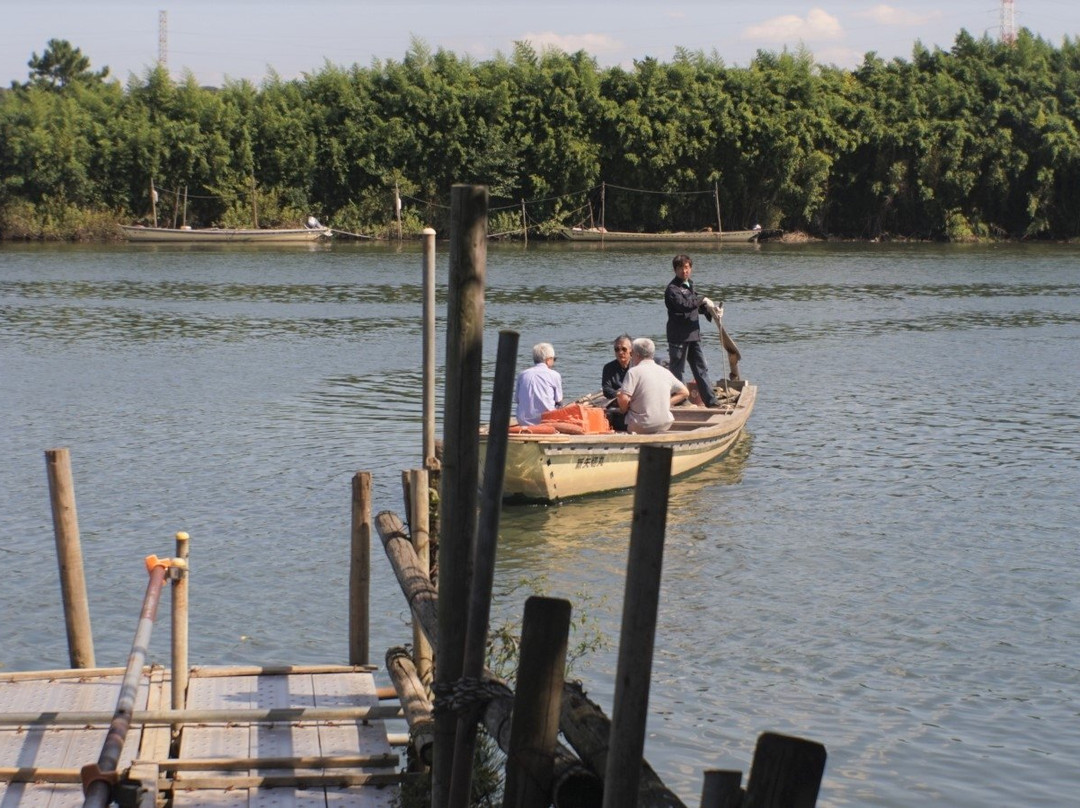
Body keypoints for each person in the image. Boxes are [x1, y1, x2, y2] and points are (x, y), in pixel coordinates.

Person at [665, 253, 721, 407]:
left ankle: (711, 402)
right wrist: (703, 299)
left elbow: (695, 306)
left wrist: (711, 310)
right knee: (677, 371)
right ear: (675, 270)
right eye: (681, 268)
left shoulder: (689, 284)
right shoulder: (672, 289)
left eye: (687, 268)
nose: (685, 271)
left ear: (691, 269)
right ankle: (680, 401)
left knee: (701, 369)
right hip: (678, 336)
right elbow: (684, 306)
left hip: (693, 335)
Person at [616, 337, 690, 434]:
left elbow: (624, 399)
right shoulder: (665, 371)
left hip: (641, 425)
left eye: (631, 353)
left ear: (636, 354)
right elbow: (685, 392)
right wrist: (666, 403)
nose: (631, 356)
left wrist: (623, 409)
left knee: (613, 418)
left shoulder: (633, 372)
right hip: (665, 423)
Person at [515, 342, 563, 426]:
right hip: (546, 421)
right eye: (554, 359)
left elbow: (517, 400)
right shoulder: (554, 375)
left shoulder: (522, 374)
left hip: (522, 421)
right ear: (548, 360)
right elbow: (558, 400)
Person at [602, 334, 633, 431]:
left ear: (631, 351)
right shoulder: (608, 367)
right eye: (617, 349)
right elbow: (606, 390)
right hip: (617, 401)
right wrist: (619, 394)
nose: (620, 352)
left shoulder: (636, 367)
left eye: (624, 349)